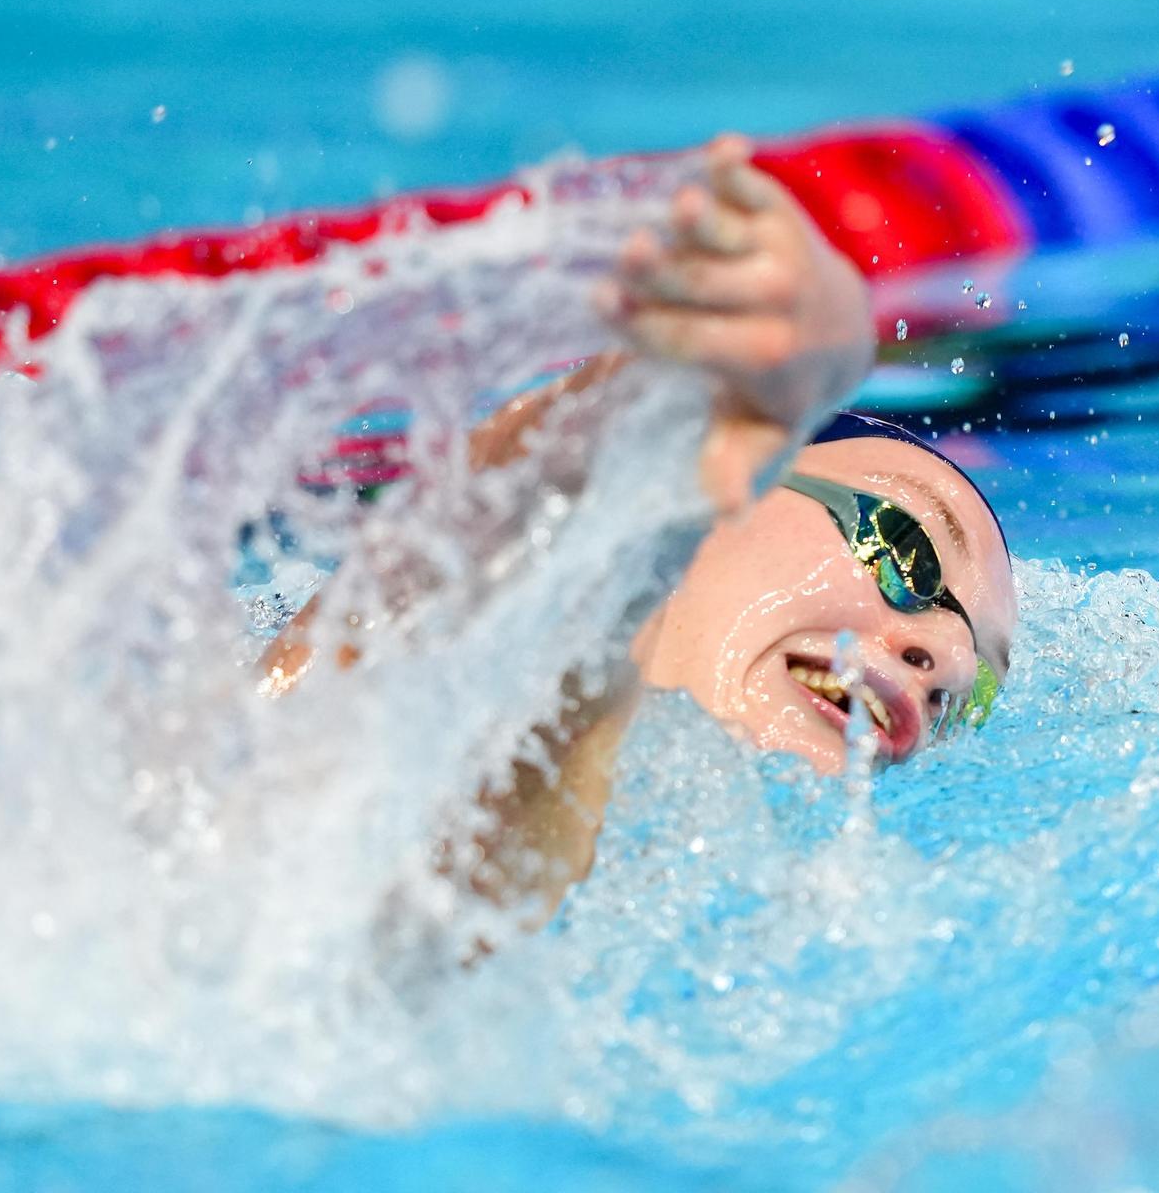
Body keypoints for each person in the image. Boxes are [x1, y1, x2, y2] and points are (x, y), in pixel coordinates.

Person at [262, 134, 1017, 918]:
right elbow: (425, 578)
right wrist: (715, 374)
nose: (950, 668)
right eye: (904, 550)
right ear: (717, 488)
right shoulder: (312, 779)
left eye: (980, 691)